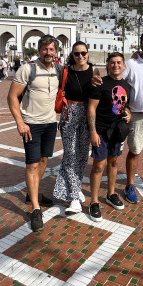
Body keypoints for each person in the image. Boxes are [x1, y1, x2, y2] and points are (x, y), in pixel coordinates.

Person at [94, 29, 143, 204]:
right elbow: (118, 83)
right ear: (141, 44)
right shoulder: (131, 63)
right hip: (136, 115)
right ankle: (130, 185)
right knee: (134, 151)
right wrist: (125, 108)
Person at [7, 35, 60, 232]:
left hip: (49, 123)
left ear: (56, 52)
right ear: (39, 51)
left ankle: (33, 193)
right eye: (45, 49)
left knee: (44, 160)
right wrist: (20, 122)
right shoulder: (27, 69)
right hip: (31, 124)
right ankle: (36, 208)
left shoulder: (58, 69)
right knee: (32, 164)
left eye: (51, 49)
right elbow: (12, 96)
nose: (48, 53)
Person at [87, 52, 131, 221]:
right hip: (101, 130)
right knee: (99, 165)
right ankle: (94, 201)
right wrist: (93, 132)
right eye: (112, 62)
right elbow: (91, 108)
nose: (116, 65)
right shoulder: (100, 84)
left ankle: (111, 194)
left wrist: (129, 115)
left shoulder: (127, 86)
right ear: (107, 65)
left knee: (113, 162)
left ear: (124, 65)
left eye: (119, 62)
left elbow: (127, 107)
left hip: (118, 131)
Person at [53, 42, 95, 215]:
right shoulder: (65, 71)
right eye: (77, 54)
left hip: (87, 115)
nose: (80, 57)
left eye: (83, 53)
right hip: (69, 113)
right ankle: (75, 199)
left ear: (88, 53)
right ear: (73, 55)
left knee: (82, 156)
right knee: (70, 156)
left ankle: (74, 189)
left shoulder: (94, 71)